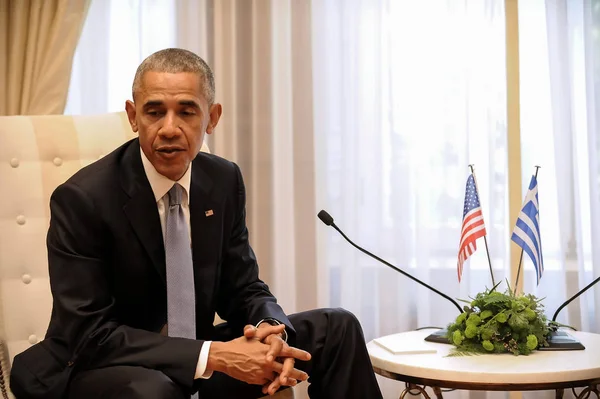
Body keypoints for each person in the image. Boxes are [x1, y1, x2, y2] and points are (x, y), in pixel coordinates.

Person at [10, 48, 383, 399]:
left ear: (212, 117)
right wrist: (215, 356)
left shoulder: (222, 180)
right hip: (97, 365)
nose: (169, 128)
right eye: (154, 112)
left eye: (186, 112)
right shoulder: (83, 198)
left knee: (337, 327)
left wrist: (270, 327)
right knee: (155, 391)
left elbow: (242, 286)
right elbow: (88, 334)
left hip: (196, 357)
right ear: (133, 115)